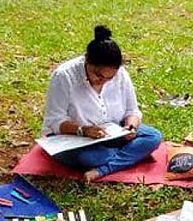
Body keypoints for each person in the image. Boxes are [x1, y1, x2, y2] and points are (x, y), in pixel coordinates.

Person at [41, 25, 162, 182]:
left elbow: (132, 110)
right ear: (87, 61)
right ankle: (125, 156)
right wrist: (83, 130)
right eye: (98, 75)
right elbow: (54, 121)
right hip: (73, 137)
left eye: (109, 78)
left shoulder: (120, 74)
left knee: (153, 136)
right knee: (91, 158)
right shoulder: (64, 76)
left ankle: (104, 169)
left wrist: (130, 127)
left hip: (111, 131)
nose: (103, 81)